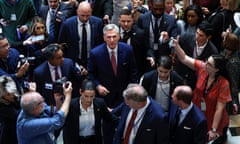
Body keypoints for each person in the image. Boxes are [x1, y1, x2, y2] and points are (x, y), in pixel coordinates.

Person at [172, 37, 232, 143]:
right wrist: (176, 46)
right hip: (198, 113)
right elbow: (184, 58)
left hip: (213, 119)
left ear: (216, 69)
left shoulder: (223, 84)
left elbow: (219, 109)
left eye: (209, 64)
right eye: (206, 61)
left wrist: (213, 129)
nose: (205, 64)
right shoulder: (202, 68)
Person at [87, 23, 138, 144]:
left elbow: (134, 72)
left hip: (124, 96)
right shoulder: (96, 53)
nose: (112, 40)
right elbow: (90, 74)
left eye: (114, 36)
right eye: (109, 37)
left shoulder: (127, 50)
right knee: (107, 128)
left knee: (124, 126)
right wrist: (98, 86)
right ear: (104, 37)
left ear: (119, 36)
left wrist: (130, 91)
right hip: (105, 97)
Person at [63, 79, 118, 144]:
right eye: (86, 96)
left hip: (93, 140)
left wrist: (125, 123)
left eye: (92, 96)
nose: (89, 100)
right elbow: (62, 123)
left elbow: (111, 118)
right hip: (75, 140)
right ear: (81, 92)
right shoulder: (71, 105)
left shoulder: (99, 104)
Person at [174, 21, 218, 89]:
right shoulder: (185, 38)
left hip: (195, 81)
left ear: (208, 37)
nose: (197, 36)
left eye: (201, 35)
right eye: (197, 33)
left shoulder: (213, 51)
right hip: (180, 74)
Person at [58, 1, 104, 68]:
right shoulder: (67, 24)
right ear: (77, 12)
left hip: (92, 60)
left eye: (87, 15)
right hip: (74, 61)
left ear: (91, 12)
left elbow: (101, 43)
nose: (85, 18)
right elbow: (62, 43)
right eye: (82, 15)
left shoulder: (98, 23)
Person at [137, 0, 178, 68]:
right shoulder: (143, 18)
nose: (158, 12)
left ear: (164, 7)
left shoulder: (171, 20)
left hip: (164, 56)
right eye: (155, 9)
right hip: (146, 55)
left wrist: (168, 40)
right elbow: (138, 38)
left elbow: (174, 40)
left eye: (161, 9)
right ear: (151, 6)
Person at [118, 8, 147, 78]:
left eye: (128, 21)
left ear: (133, 21)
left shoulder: (140, 34)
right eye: (123, 21)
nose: (126, 24)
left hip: (135, 70)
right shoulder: (113, 33)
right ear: (118, 21)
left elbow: (143, 54)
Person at [221, 32, 240, 114]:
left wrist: (234, 102)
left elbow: (234, 85)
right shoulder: (226, 52)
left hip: (229, 95)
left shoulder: (233, 63)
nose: (223, 39)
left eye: (225, 38)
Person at [0, 76, 20, 144]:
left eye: (12, 92)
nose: (12, 95)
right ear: (1, 95)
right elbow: (19, 115)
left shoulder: (14, 96)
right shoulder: (2, 106)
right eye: (8, 94)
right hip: (8, 136)